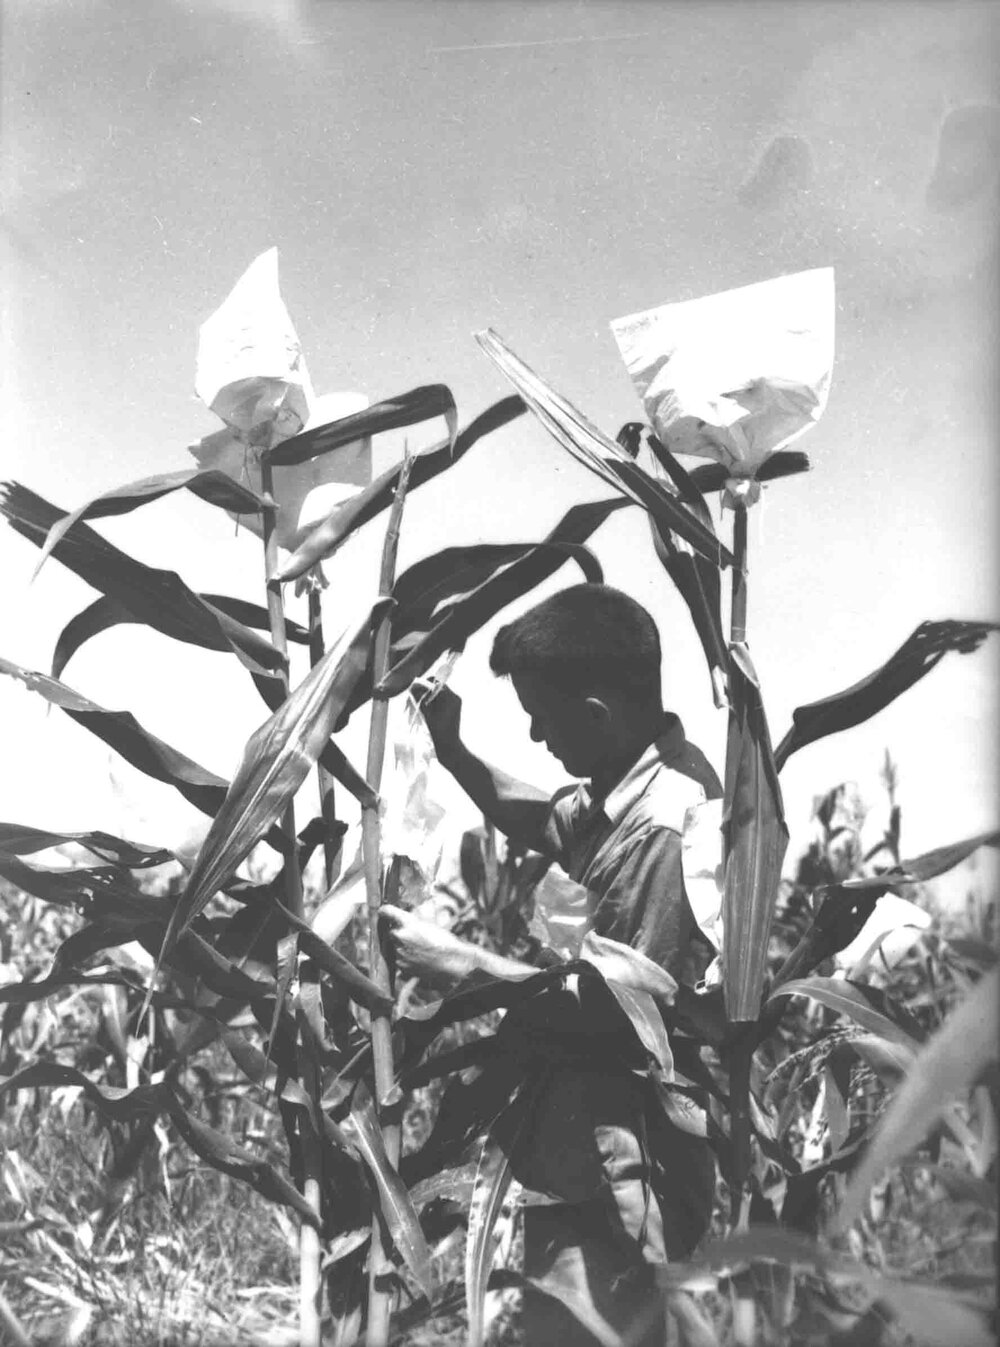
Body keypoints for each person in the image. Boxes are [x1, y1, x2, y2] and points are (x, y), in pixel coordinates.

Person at [380, 583, 721, 1346]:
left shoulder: (668, 826)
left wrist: (458, 961)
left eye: (542, 715)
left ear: (597, 714)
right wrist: (454, 748)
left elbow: (625, 1015)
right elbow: (537, 814)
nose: (535, 735)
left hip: (631, 1174)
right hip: (584, 1155)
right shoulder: (621, 790)